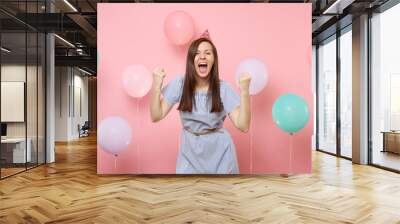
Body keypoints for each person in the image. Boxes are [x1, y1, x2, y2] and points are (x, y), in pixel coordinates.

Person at [150, 31, 251, 174]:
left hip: (221, 154)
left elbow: (243, 126)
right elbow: (156, 115)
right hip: (189, 153)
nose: (202, 56)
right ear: (191, 59)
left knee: (221, 195)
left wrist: (245, 91)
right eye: (197, 53)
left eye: (208, 53)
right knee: (188, 194)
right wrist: (156, 86)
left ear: (214, 60)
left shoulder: (223, 88)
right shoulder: (180, 84)